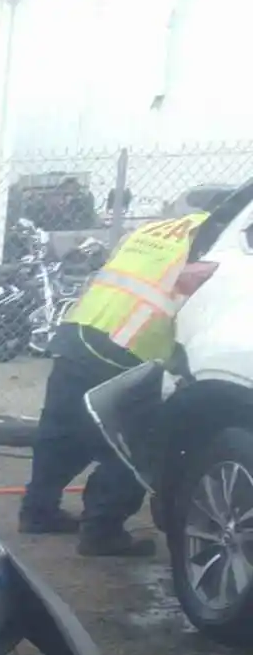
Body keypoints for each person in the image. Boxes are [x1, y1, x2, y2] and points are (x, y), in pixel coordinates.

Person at [19, 209, 209, 555]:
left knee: (63, 428)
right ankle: (101, 532)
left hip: (80, 328)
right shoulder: (216, 241)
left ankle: (37, 511)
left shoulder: (161, 229)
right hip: (130, 342)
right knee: (133, 440)